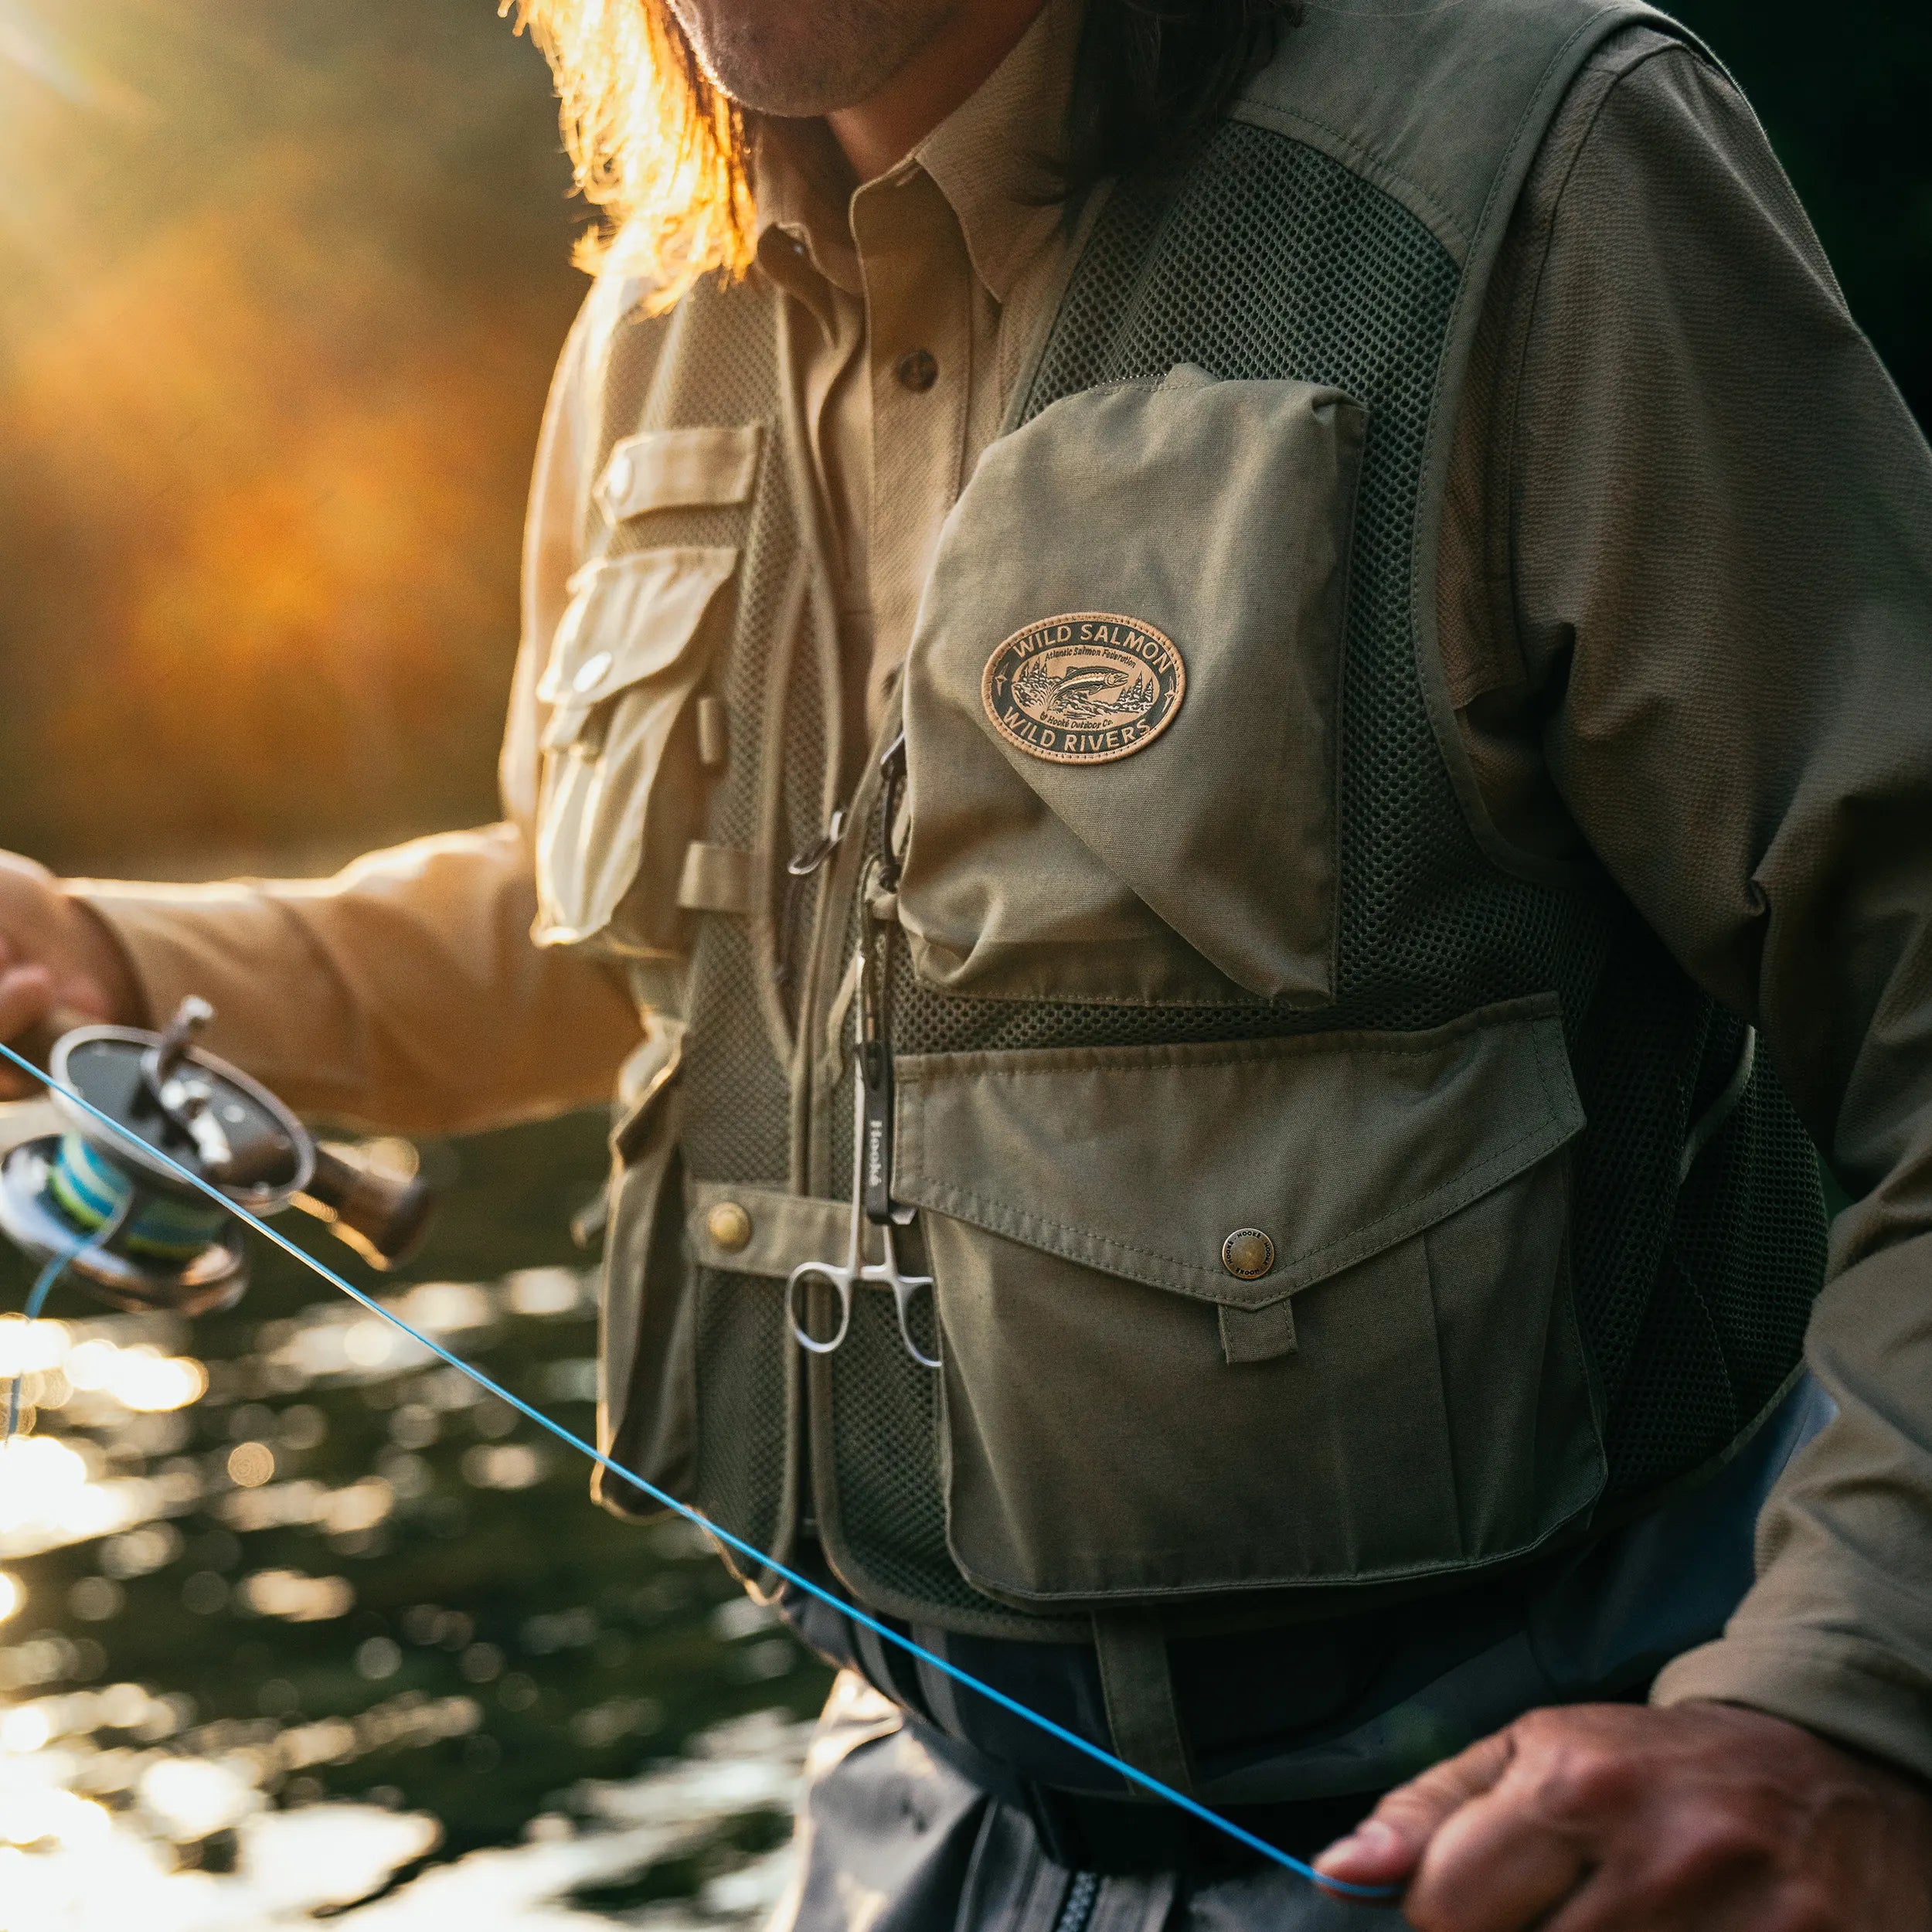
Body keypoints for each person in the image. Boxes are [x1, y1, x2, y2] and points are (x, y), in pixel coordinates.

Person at [4, 0, 1932, 1921]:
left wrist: (1834, 1708)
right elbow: (622, 932)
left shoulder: (1548, 163)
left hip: (1542, 1832)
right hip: (908, 1819)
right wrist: (95, 950)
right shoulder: (660, 303)